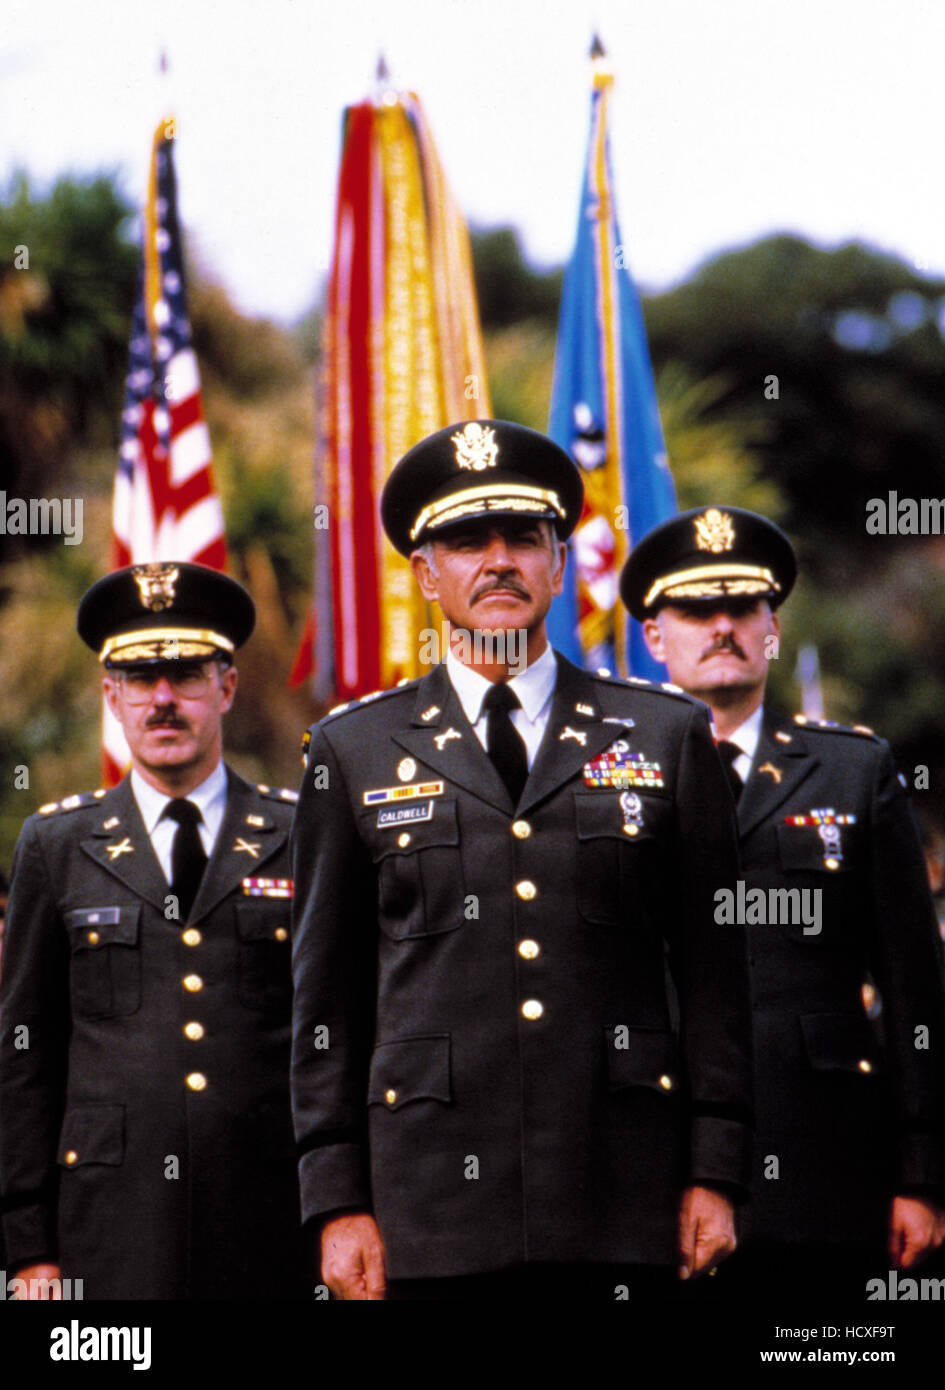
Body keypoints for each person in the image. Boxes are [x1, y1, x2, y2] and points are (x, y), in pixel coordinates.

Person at [291, 419, 753, 1300]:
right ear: (427, 573)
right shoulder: (351, 750)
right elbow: (327, 998)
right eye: (468, 541)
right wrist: (336, 1199)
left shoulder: (664, 733)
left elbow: (713, 977)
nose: (497, 561)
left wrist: (716, 1171)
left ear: (557, 561)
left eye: (522, 538)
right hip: (426, 1204)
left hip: (623, 1192)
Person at [621, 505, 945, 1300]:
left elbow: (913, 989)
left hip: (823, 1166)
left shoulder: (853, 772)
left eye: (741, 609)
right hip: (650, 1171)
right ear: (654, 637)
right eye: (696, 610)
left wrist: (924, 1173)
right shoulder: (604, 778)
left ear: (771, 628)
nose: (721, 627)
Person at [0, 561, 306, 1300]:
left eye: (185, 674)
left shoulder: (300, 833)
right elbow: (25, 1058)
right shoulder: (57, 845)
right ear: (112, 695)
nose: (162, 699)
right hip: (109, 1227)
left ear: (226, 687)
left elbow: (341, 1029)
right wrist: (27, 1248)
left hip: (273, 1218)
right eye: (140, 678)